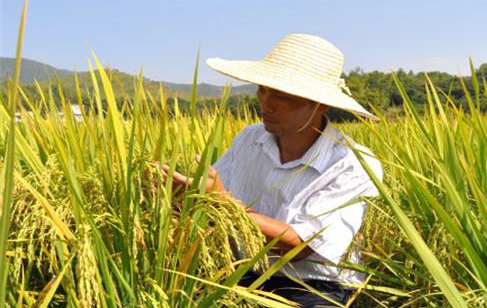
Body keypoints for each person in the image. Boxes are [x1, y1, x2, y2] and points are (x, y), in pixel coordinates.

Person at [163, 33, 383, 307]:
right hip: (243, 272)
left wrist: (222, 202)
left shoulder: (352, 163)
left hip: (314, 284)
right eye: (262, 89)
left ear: (320, 104)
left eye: (281, 95)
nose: (266, 103)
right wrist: (185, 198)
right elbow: (213, 210)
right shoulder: (248, 139)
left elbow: (301, 246)